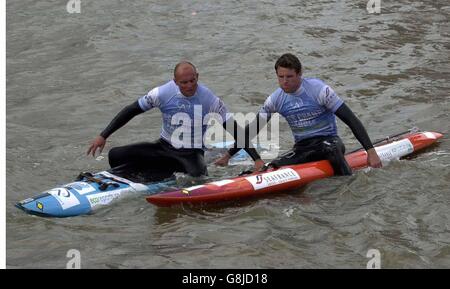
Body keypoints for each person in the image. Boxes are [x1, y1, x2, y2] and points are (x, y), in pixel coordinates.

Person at [87, 61, 265, 182]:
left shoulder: (209, 99)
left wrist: (256, 159)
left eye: (192, 80)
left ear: (197, 76)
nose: (189, 86)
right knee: (115, 155)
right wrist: (103, 135)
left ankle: (162, 171)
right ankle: (159, 168)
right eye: (184, 82)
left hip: (191, 153)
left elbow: (234, 129)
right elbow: (131, 110)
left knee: (198, 177)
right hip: (164, 147)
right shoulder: (162, 93)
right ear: (175, 82)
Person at [215, 53, 382, 175]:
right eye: (281, 77)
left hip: (329, 141)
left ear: (300, 74)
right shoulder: (275, 99)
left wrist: (371, 152)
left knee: (330, 149)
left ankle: (347, 187)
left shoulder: (319, 90)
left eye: (290, 76)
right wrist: (228, 156)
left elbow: (351, 120)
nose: (285, 82)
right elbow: (251, 130)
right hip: (303, 148)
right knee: (273, 166)